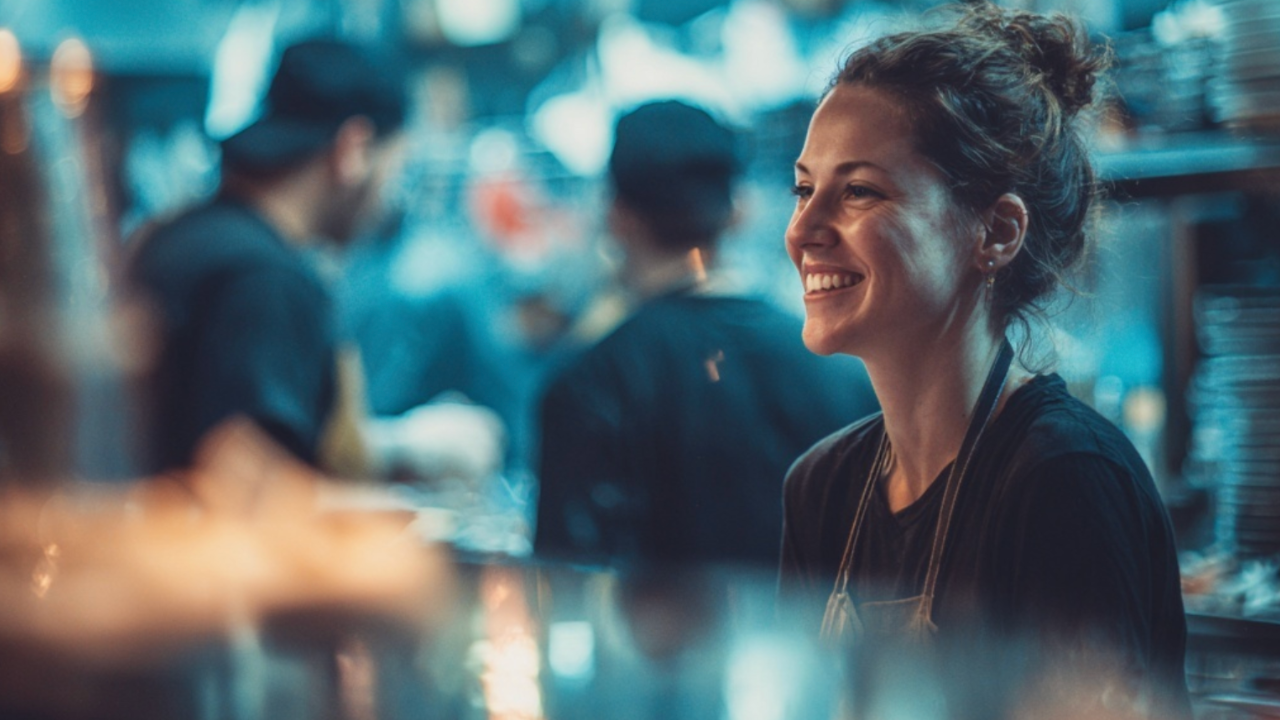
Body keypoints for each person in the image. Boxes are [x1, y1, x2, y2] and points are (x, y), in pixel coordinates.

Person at [776, 4, 1190, 716]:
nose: (804, 230)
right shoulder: (821, 488)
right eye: (805, 188)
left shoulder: (1063, 478)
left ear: (995, 232)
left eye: (859, 192)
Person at [130, 39, 503, 480]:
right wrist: (402, 452)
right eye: (397, 168)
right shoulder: (268, 280)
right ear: (354, 150)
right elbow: (258, 490)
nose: (389, 199)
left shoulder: (174, 237)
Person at [535, 100, 878, 570]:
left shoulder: (589, 384)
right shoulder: (844, 370)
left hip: (653, 645)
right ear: (738, 211)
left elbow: (569, 584)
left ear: (617, 215)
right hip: (813, 644)